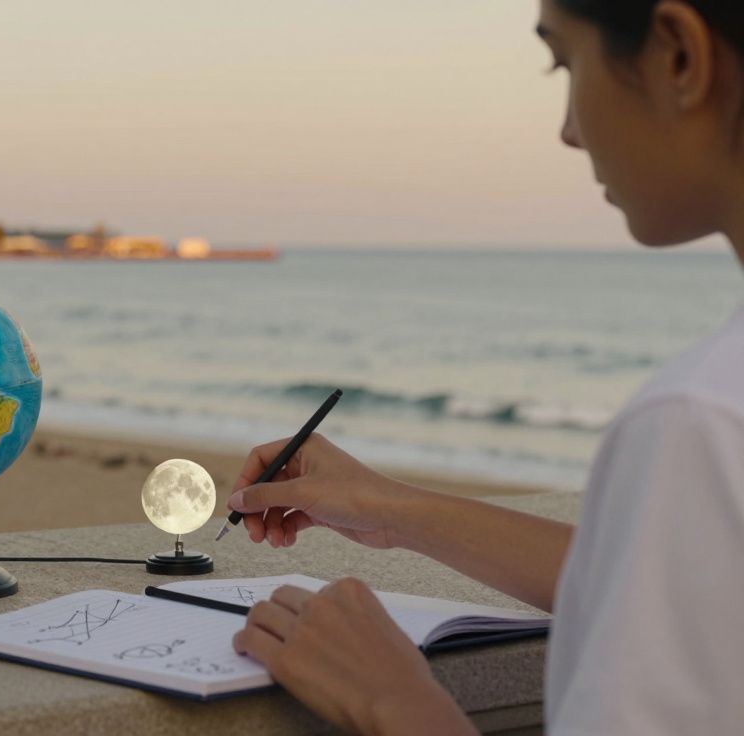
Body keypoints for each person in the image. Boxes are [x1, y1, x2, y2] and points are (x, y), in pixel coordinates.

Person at [226, 2, 744, 733]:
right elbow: (682, 580)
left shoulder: (700, 420)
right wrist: (386, 509)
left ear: (680, 56)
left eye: (565, 63)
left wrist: (393, 700)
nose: (569, 130)